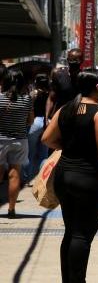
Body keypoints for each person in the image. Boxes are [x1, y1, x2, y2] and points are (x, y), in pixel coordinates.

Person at [42, 68, 98, 283]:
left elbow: (47, 139)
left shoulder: (65, 109)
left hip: (64, 176)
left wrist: (70, 146)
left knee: (71, 232)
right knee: (82, 235)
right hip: (88, 180)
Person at [0, 69, 34, 218]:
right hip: (20, 140)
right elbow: (30, 121)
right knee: (15, 174)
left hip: (0, 140)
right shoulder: (26, 99)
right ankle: (11, 209)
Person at [23, 73, 50, 183]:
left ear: (36, 82)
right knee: (43, 154)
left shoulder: (33, 94)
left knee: (30, 153)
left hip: (34, 123)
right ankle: (41, 179)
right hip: (47, 122)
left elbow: (29, 109)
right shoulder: (50, 94)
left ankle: (28, 178)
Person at [47, 48, 84, 119]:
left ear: (81, 61)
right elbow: (51, 98)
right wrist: (46, 119)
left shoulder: (85, 78)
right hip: (59, 117)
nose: (73, 65)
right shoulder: (58, 74)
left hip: (78, 118)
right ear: (67, 60)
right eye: (71, 62)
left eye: (76, 63)